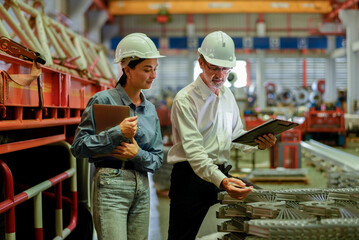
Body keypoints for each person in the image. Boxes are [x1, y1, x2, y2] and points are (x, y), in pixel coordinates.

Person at [167, 31, 277, 240]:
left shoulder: (227, 96)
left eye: (225, 69)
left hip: (221, 172)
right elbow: (196, 154)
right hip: (190, 176)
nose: (219, 75)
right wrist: (223, 181)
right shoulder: (185, 100)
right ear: (201, 62)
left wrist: (259, 142)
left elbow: (236, 134)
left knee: (262, 203)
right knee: (180, 237)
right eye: (214, 68)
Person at [71, 33, 165, 240]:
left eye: (155, 69)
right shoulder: (103, 100)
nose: (153, 75)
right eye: (147, 69)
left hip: (142, 185)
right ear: (128, 69)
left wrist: (137, 154)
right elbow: (78, 147)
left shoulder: (150, 109)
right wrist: (117, 133)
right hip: (110, 185)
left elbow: (157, 160)